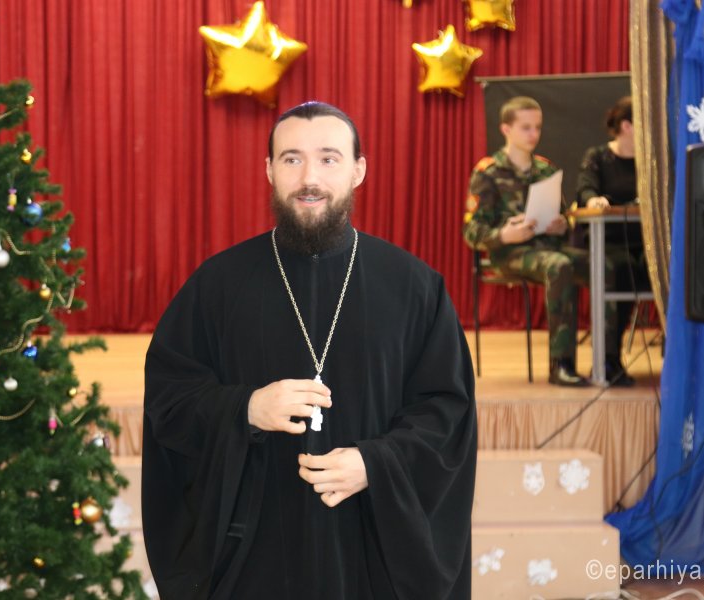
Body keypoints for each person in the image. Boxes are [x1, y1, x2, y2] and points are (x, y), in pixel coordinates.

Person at [142, 101, 476, 600]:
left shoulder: (414, 288)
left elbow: (447, 413)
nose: (309, 178)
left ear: (358, 170)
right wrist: (246, 408)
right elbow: (169, 398)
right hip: (255, 556)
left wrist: (378, 463)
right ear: (269, 170)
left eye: (328, 158)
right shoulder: (218, 285)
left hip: (372, 553)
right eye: (292, 159)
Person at [463, 96, 619, 386]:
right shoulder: (488, 173)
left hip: (549, 247)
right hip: (510, 253)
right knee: (559, 266)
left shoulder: (546, 169)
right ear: (506, 129)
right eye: (526, 127)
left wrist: (561, 225)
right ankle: (562, 364)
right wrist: (504, 234)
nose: (534, 134)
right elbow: (472, 231)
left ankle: (609, 360)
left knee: (604, 265)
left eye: (537, 127)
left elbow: (563, 217)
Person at [575, 95, 649, 386]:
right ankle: (608, 359)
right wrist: (594, 199)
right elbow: (585, 189)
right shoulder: (597, 157)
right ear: (627, 126)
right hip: (608, 242)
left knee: (669, 267)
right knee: (618, 270)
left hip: (646, 243)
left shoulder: (651, 158)